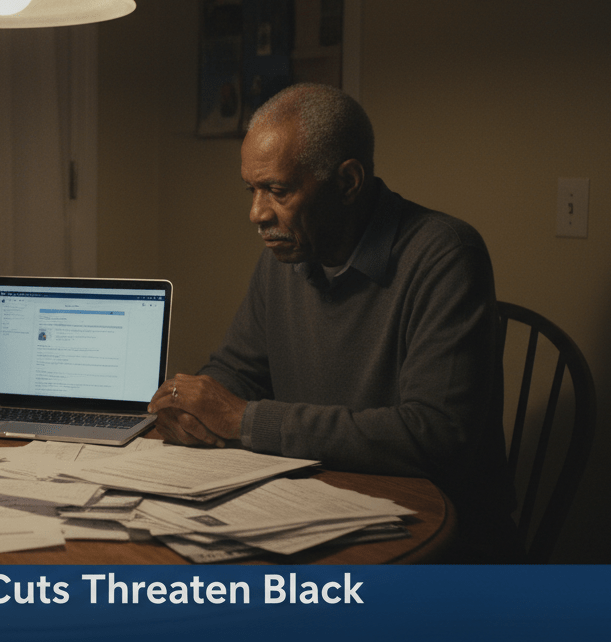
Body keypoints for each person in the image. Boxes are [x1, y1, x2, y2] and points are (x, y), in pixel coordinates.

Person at [148, 83, 519, 563]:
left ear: (347, 183)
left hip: (440, 543)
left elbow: (435, 436)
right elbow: (237, 371)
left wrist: (244, 420)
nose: (256, 214)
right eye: (252, 189)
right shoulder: (284, 256)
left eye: (277, 190)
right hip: (317, 507)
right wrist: (192, 410)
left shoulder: (445, 255)